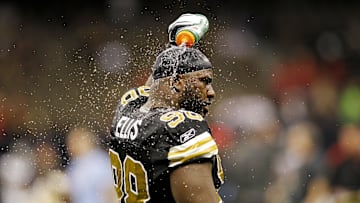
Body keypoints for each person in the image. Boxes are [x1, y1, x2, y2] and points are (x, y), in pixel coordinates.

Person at [109, 14, 224, 203]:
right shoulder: (183, 128)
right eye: (204, 82)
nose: (211, 93)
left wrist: (178, 46)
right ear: (177, 82)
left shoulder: (128, 106)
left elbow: (156, 87)